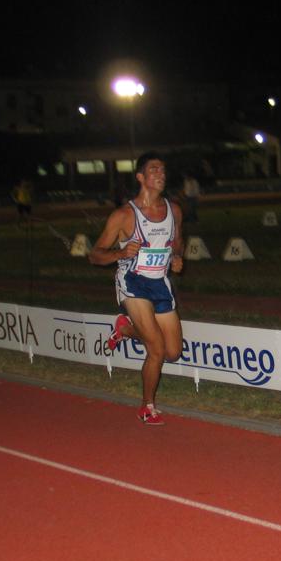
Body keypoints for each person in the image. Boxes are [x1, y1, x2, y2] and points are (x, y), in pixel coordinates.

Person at [89, 151, 184, 426]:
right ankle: (147, 406)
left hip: (160, 282)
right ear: (141, 177)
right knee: (156, 349)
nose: (161, 174)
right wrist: (120, 254)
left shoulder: (174, 210)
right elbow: (95, 255)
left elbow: (177, 241)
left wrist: (177, 257)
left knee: (173, 352)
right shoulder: (124, 215)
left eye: (163, 170)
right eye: (154, 169)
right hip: (133, 282)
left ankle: (124, 329)